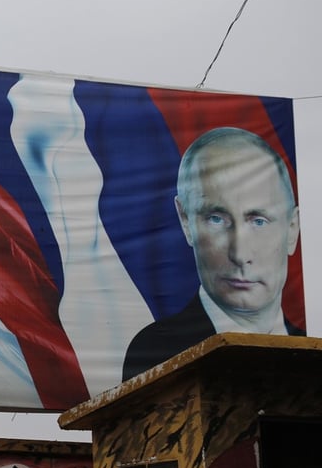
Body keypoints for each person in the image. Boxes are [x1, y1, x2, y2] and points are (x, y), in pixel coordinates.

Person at [122, 127, 303, 380]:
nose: (240, 255)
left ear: (292, 230)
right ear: (185, 222)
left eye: (259, 221)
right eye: (216, 219)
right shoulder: (155, 353)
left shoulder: (310, 357)